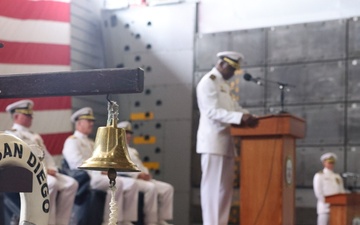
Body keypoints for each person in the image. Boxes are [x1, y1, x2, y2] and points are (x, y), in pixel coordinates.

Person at [196, 51, 258, 225]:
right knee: (212, 189)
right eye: (231, 68)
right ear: (222, 64)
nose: (233, 73)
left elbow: (234, 108)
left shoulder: (223, 84)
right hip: (213, 142)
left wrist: (250, 116)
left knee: (224, 190)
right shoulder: (208, 82)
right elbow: (211, 112)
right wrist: (240, 118)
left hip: (226, 143)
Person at [5, 99, 79, 225]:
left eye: (30, 115)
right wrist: (44, 170)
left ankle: (61, 222)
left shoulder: (35, 136)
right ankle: (46, 222)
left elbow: (47, 155)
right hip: (29, 173)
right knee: (51, 183)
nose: (30, 117)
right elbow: (18, 159)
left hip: (45, 172)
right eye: (27, 115)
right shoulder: (11, 135)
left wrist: (52, 169)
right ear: (16, 116)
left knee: (71, 184)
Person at [62, 107, 139, 225]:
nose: (92, 124)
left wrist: (106, 169)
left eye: (92, 121)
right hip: (86, 177)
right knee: (117, 183)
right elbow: (76, 164)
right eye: (88, 121)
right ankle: (109, 221)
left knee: (131, 183)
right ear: (79, 123)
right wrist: (99, 171)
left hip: (98, 175)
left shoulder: (92, 142)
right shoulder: (72, 141)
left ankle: (124, 220)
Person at [118, 121, 174, 225]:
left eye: (130, 133)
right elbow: (119, 168)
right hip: (132, 178)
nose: (129, 136)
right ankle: (151, 221)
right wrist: (138, 175)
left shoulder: (133, 150)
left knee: (167, 188)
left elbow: (141, 165)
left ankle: (161, 219)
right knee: (150, 188)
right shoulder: (116, 150)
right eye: (126, 133)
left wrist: (146, 173)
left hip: (143, 178)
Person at [313, 152, 345, 225]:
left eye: (332, 163)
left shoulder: (337, 177)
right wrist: (328, 202)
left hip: (337, 208)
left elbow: (341, 191)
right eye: (329, 162)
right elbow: (318, 192)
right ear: (324, 163)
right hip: (324, 208)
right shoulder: (319, 176)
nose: (331, 165)